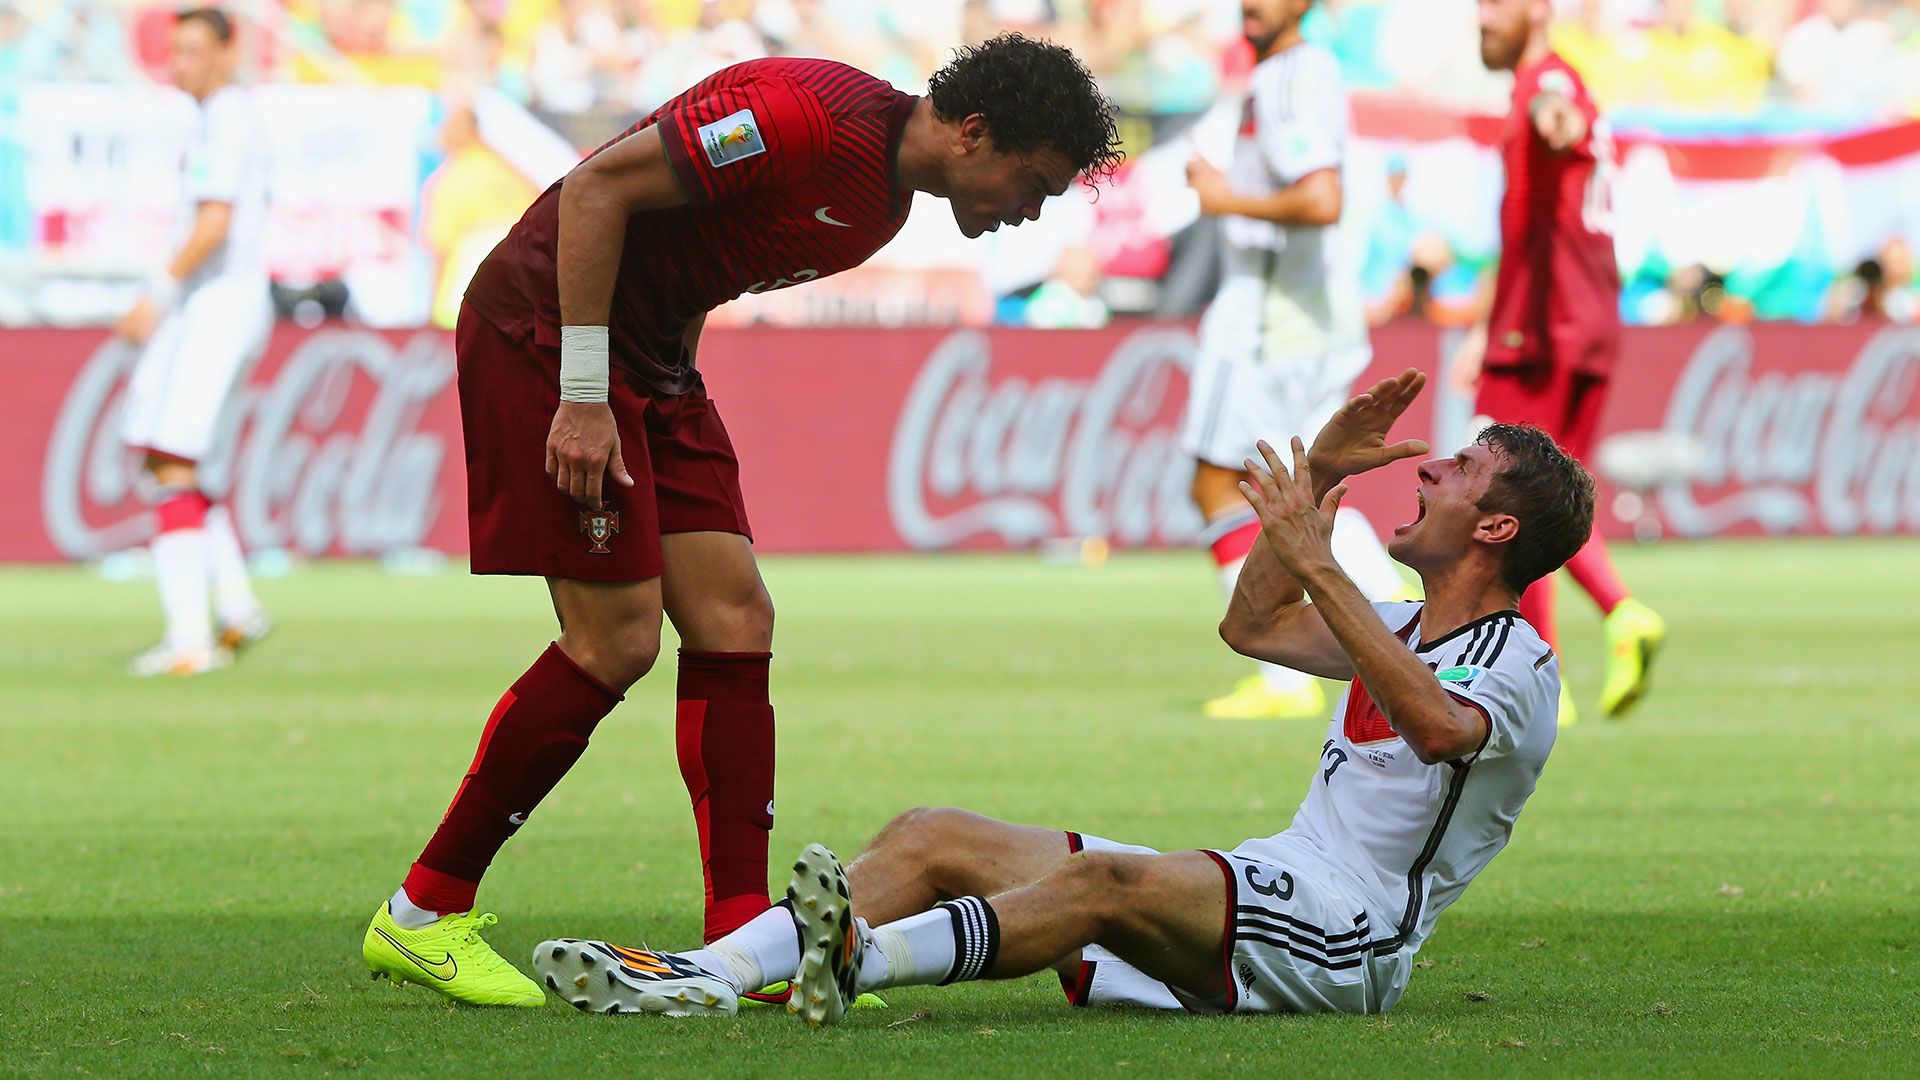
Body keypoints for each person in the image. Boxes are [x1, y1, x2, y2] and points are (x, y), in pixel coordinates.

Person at [361, 34, 1124, 1007]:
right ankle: (424, 913)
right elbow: (596, 191)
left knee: (734, 620)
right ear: (975, 133)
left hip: (652, 367)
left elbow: (688, 266)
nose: (1029, 213)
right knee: (616, 640)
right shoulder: (800, 120)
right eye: (1035, 184)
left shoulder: (879, 209)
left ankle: (744, 943)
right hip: (550, 338)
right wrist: (588, 393)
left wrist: (660, 385)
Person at [528, 369, 1595, 1022]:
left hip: (1348, 940)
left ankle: (854, 958)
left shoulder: (1520, 667)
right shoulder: (1402, 628)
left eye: (1457, 470)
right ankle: (706, 976)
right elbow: (1252, 628)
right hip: (1276, 885)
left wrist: (1321, 561)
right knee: (932, 832)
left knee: (1099, 883)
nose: (1426, 473)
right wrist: (1314, 478)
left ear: (1496, 528)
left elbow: (1439, 727)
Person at [1180, 0, 1407, 722]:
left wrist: (1225, 197)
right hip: (1314, 320)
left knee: (1219, 484)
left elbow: (1320, 197)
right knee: (1314, 483)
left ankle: (1283, 680)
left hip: (1267, 323)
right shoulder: (1304, 73)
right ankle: (1411, 627)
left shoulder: (1286, 78)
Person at [1451, 0, 1664, 725]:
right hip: (1579, 320)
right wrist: (1484, 324)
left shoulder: (1547, 80)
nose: (1482, 16)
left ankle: (1563, 661)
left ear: (1538, 10)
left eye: (1498, 4)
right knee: (1548, 492)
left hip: (1546, 328)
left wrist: (1553, 117)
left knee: (1513, 499)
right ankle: (1583, 648)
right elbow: (1525, 227)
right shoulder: (1551, 81)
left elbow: (1556, 109)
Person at [116, 6, 272, 678]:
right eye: (175, 52)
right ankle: (235, 607)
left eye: (194, 51)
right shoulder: (214, 118)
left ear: (228, 52)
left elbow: (215, 223)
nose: (182, 64)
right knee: (166, 461)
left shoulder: (229, 119)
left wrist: (155, 290)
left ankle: (189, 641)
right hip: (212, 307)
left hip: (217, 306)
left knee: (172, 458)